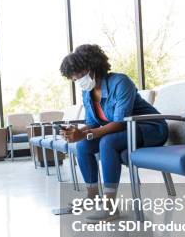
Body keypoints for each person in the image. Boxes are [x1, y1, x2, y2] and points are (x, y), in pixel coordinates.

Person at [59, 44, 168, 222]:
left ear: (93, 66)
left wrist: (88, 133)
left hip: (149, 129)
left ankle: (110, 207)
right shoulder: (87, 92)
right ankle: (92, 196)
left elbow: (119, 122)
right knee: (84, 144)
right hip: (124, 132)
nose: (78, 80)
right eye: (74, 78)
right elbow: (92, 123)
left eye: (80, 74)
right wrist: (79, 132)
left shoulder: (120, 82)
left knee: (106, 142)